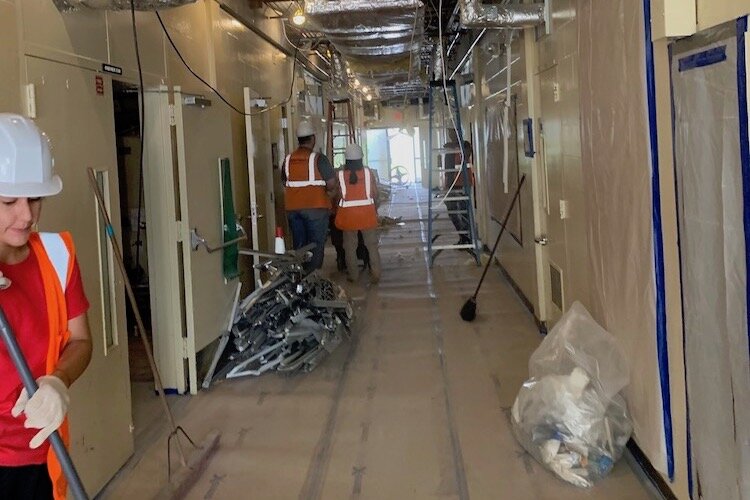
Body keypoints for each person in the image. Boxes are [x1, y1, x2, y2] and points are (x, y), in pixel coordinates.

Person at [0, 114, 92, 500]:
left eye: (35, 198)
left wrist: (58, 381)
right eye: (8, 201)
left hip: (41, 449)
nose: (26, 215)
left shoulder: (56, 255)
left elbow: (81, 341)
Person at [282, 121, 338, 272]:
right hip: (316, 209)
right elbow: (332, 183)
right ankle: (313, 280)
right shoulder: (319, 159)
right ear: (313, 138)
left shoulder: (287, 160)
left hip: (293, 209)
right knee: (315, 244)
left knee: (299, 245)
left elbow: (284, 182)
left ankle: (299, 278)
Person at [335, 144, 381, 284]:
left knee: (349, 247)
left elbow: (338, 196)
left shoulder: (341, 175)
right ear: (361, 158)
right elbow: (375, 194)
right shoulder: (368, 173)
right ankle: (376, 274)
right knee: (371, 245)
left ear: (346, 160)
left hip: (349, 217)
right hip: (367, 216)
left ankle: (353, 275)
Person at [442, 129, 475, 246]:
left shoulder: (465, 145)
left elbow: (465, 152)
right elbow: (448, 170)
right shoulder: (449, 148)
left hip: (463, 183)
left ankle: (468, 237)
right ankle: (463, 236)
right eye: (450, 133)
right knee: (451, 210)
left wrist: (453, 145)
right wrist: (446, 186)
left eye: (453, 133)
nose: (450, 136)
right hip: (452, 184)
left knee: (463, 211)